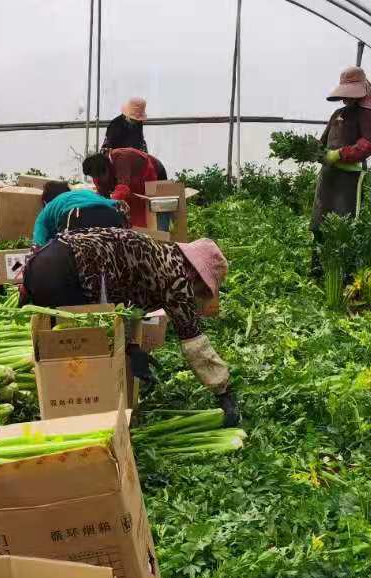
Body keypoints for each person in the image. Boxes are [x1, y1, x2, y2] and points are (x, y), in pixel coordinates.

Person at [19, 226, 238, 425]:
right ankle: (79, 419)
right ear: (197, 275)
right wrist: (224, 391)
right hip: (67, 273)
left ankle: (56, 405)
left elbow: (123, 304)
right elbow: (194, 342)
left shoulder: (158, 252)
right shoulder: (177, 277)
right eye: (202, 288)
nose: (198, 293)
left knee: (58, 344)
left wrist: (132, 347)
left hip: (43, 260)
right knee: (80, 350)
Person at [310, 65, 371, 280]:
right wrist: (314, 150)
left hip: (349, 179)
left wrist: (340, 154)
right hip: (328, 176)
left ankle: (344, 275)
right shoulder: (338, 113)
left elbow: (367, 144)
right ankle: (317, 270)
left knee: (343, 225)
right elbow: (323, 141)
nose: (346, 98)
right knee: (319, 222)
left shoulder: (365, 115)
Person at [30, 175, 129, 247]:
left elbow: (38, 245)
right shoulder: (87, 194)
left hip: (77, 214)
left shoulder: (48, 208)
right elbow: (117, 204)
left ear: (45, 201)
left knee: (73, 253)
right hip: (111, 214)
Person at [89, 147, 162, 229]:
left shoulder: (121, 160)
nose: (98, 180)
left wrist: (111, 203)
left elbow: (123, 187)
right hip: (127, 180)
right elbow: (102, 192)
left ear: (106, 169)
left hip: (146, 174)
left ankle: (142, 231)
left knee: (141, 210)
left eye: (100, 177)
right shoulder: (97, 172)